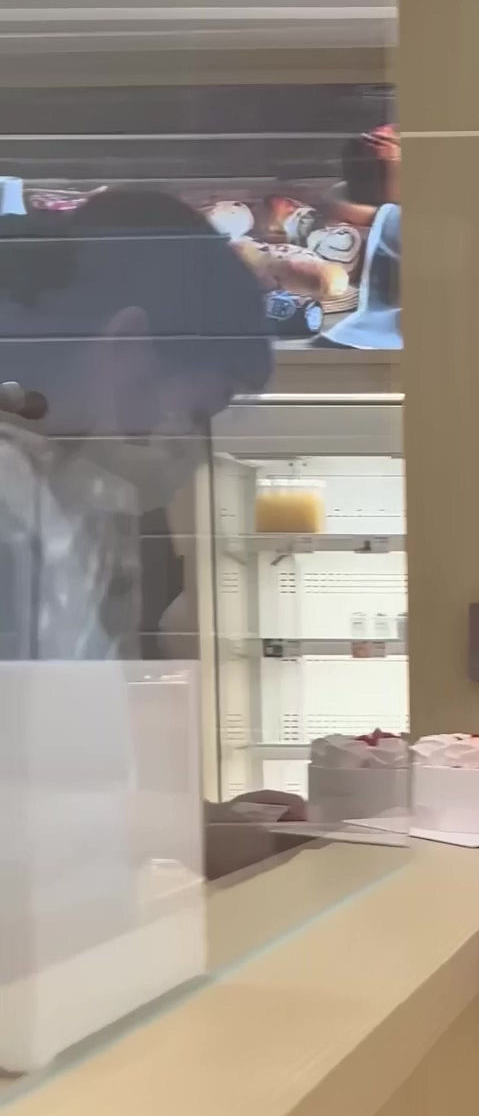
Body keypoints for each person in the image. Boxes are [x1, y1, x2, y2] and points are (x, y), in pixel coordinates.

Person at [0, 188, 304, 875]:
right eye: (197, 410)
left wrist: (198, 822)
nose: (189, 445)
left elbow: (57, 772)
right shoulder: (14, 508)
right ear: (128, 348)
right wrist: (176, 832)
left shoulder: (66, 501)